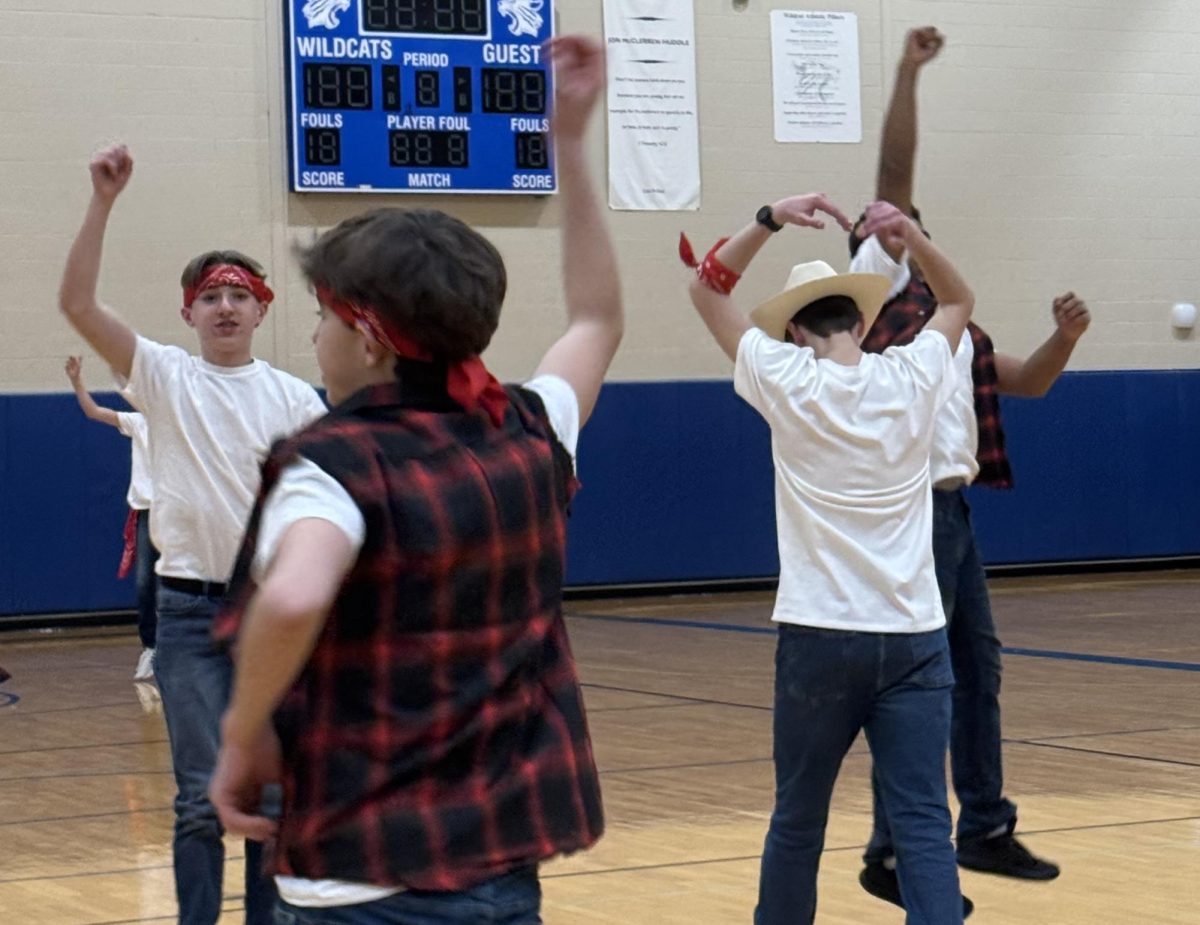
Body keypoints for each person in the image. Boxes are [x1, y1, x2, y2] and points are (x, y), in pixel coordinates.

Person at [207, 34, 620, 924]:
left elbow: (288, 601)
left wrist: (241, 733)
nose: (312, 338)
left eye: (319, 318)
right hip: (500, 869)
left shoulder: (337, 466)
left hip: (360, 878)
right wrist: (573, 145)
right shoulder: (531, 424)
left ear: (368, 338)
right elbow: (598, 315)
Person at [686, 194, 974, 925]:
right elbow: (961, 297)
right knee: (921, 824)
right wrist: (910, 233)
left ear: (792, 329)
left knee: (798, 821)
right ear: (863, 322)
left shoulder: (785, 379)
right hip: (913, 634)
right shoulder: (910, 377)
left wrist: (769, 216)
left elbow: (706, 286)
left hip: (818, 637)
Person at [58, 145, 327, 925]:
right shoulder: (165, 377)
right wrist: (103, 203)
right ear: (188, 312)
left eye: (240, 294)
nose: (225, 306)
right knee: (200, 800)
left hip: (273, 617)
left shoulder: (294, 400)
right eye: (210, 295)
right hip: (188, 616)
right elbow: (78, 304)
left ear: (263, 309)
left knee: (271, 800)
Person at [852, 28, 1090, 910]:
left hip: (954, 517)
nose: (900, 225)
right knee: (916, 680)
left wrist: (1061, 341)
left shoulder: (954, 324)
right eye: (890, 224)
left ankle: (984, 825)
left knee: (977, 671)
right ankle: (889, 848)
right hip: (903, 516)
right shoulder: (874, 302)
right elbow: (893, 179)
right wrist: (910, 74)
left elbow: (1022, 382)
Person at [65, 355, 158, 680]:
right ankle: (151, 648)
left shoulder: (185, 422)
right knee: (147, 583)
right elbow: (93, 412)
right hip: (148, 512)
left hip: (180, 513)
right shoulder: (138, 422)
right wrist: (77, 381)